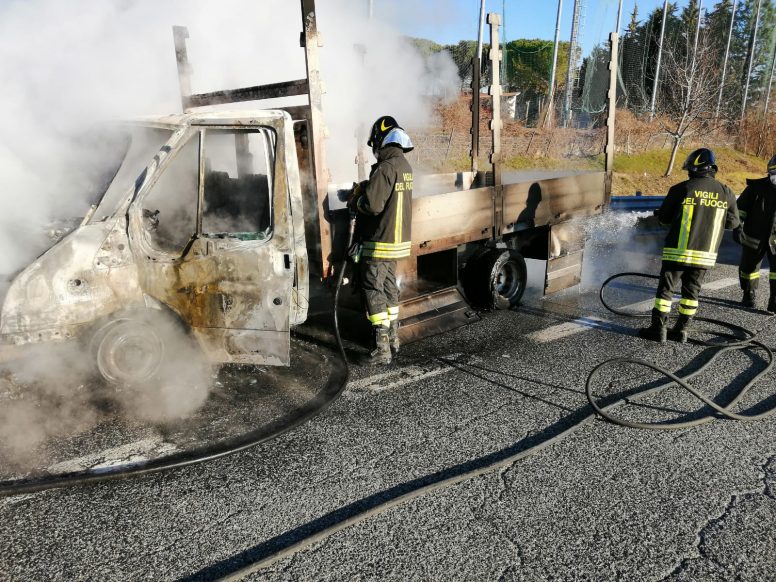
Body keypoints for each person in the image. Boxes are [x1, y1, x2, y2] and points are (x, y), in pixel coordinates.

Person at [639, 148, 741, 343]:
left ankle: (658, 329)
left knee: (666, 291)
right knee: (691, 292)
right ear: (712, 168)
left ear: (693, 169)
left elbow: (664, 219)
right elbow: (732, 223)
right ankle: (681, 330)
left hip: (677, 252)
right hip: (705, 255)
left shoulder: (681, 189)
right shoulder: (726, 192)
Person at [348, 115, 414, 364]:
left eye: (375, 143)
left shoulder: (385, 168)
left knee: (372, 289)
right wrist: (370, 185)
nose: (374, 149)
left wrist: (356, 200)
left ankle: (381, 348)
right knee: (388, 288)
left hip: (379, 242)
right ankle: (394, 339)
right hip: (396, 243)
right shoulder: (403, 166)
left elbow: (373, 205)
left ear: (382, 140)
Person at [735, 154, 776, 312]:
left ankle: (774, 300)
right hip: (753, 236)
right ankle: (748, 294)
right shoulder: (755, 188)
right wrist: (738, 227)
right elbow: (739, 210)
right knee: (748, 268)